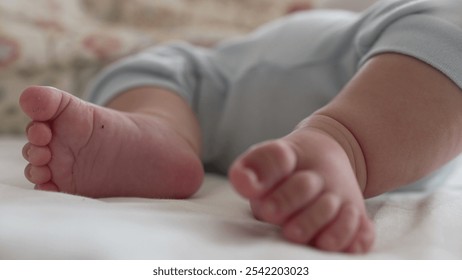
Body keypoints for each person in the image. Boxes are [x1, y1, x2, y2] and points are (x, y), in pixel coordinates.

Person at [19, 0, 462, 253]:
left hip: (214, 113)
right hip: (216, 77)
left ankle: (165, 134)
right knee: (148, 73)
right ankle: (158, 131)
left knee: (151, 74)